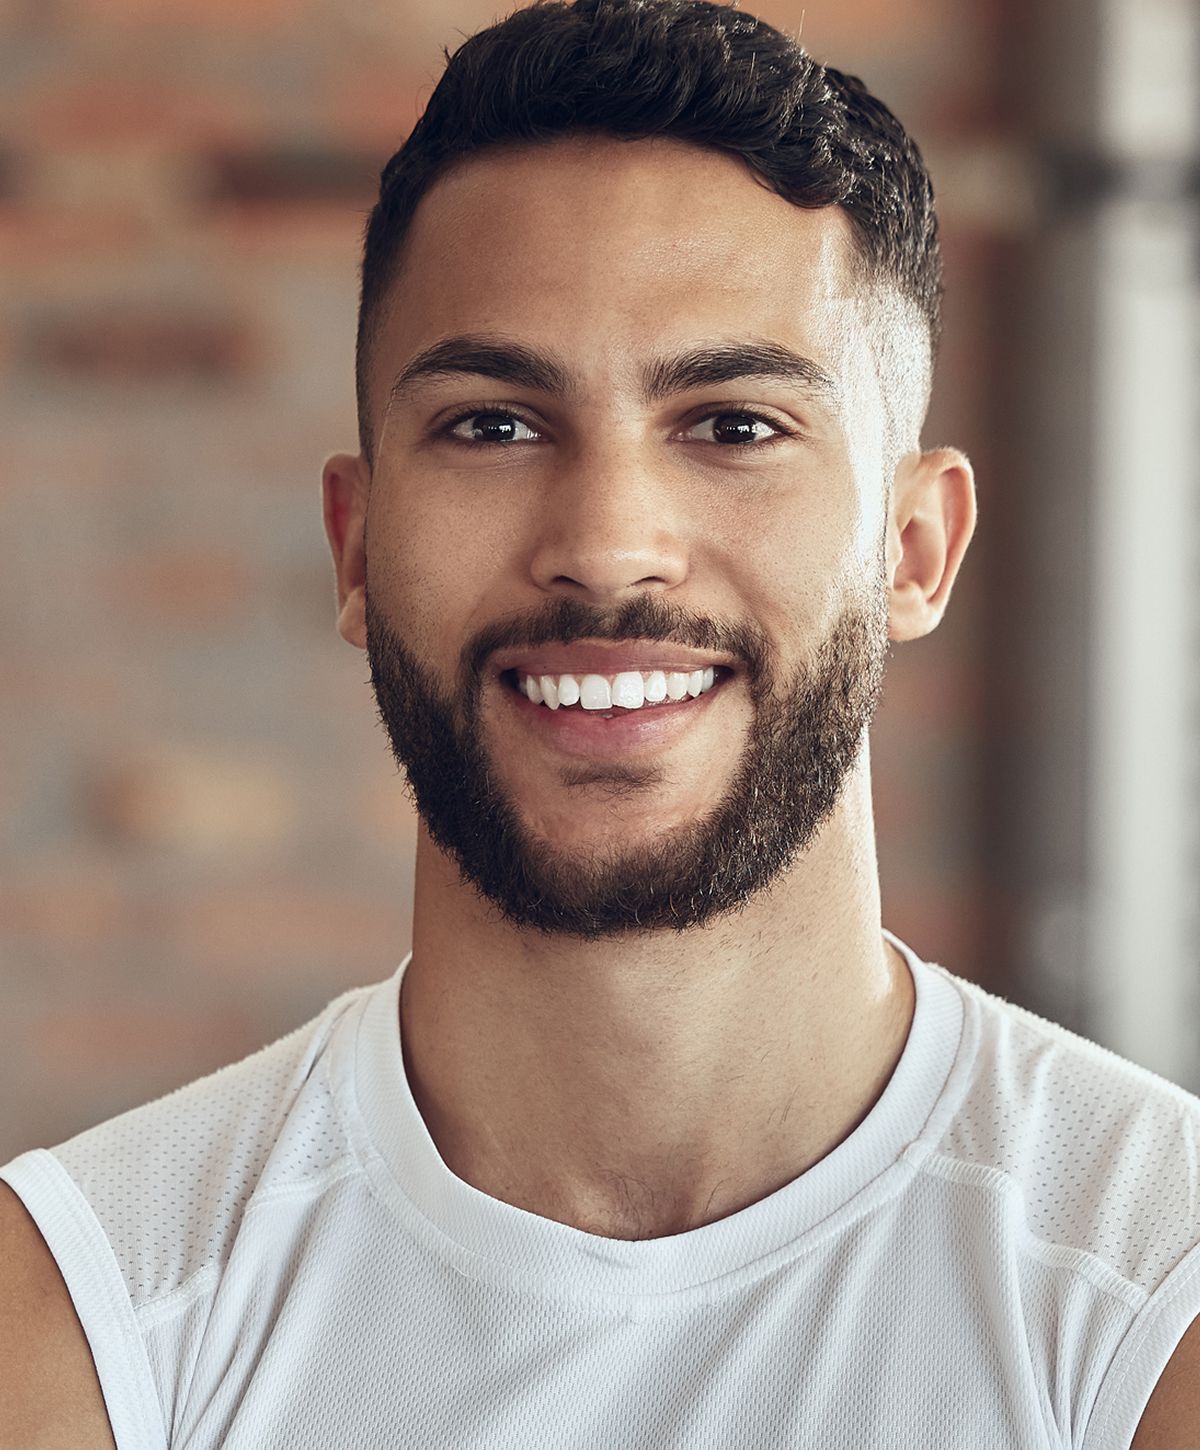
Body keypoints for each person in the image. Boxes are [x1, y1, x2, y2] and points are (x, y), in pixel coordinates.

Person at [2, 0, 1198, 1443]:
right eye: (495, 423)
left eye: (734, 424)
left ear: (916, 547)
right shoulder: (86, 1319)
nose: (609, 541)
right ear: (356, 548)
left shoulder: (1149, 1298)